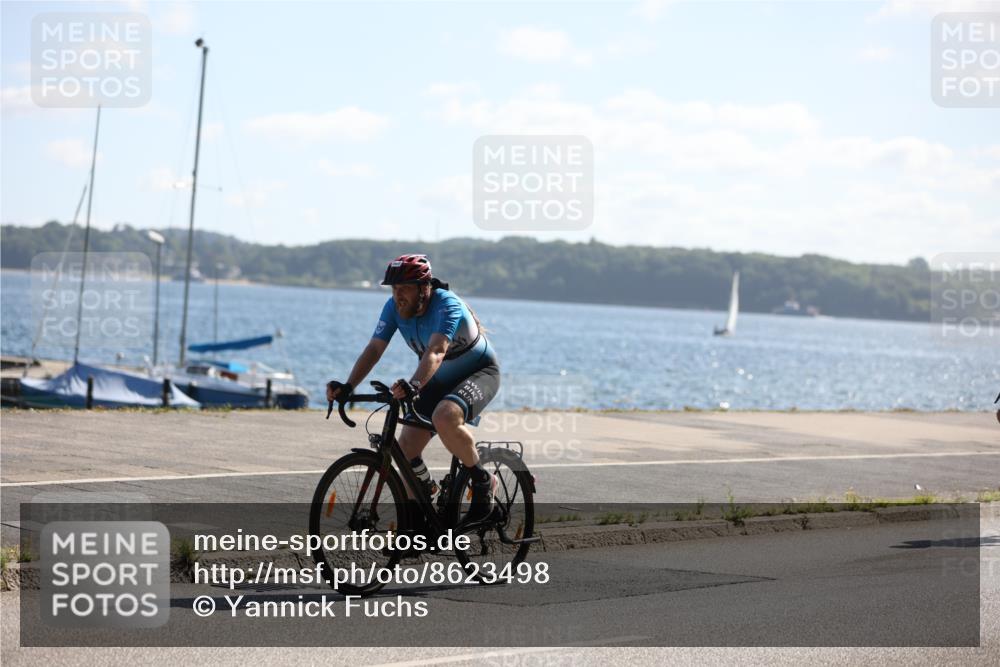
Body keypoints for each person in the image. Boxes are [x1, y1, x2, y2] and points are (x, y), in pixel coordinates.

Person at [326, 254, 500, 521]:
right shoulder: (394, 307)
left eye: (405, 288)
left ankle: (482, 480)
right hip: (435, 379)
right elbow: (374, 348)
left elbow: (436, 351)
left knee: (444, 417)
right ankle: (418, 522)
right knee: (405, 448)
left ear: (424, 287)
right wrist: (349, 386)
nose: (398, 295)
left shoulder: (447, 305)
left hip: (478, 373)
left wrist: (414, 384)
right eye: (395, 289)